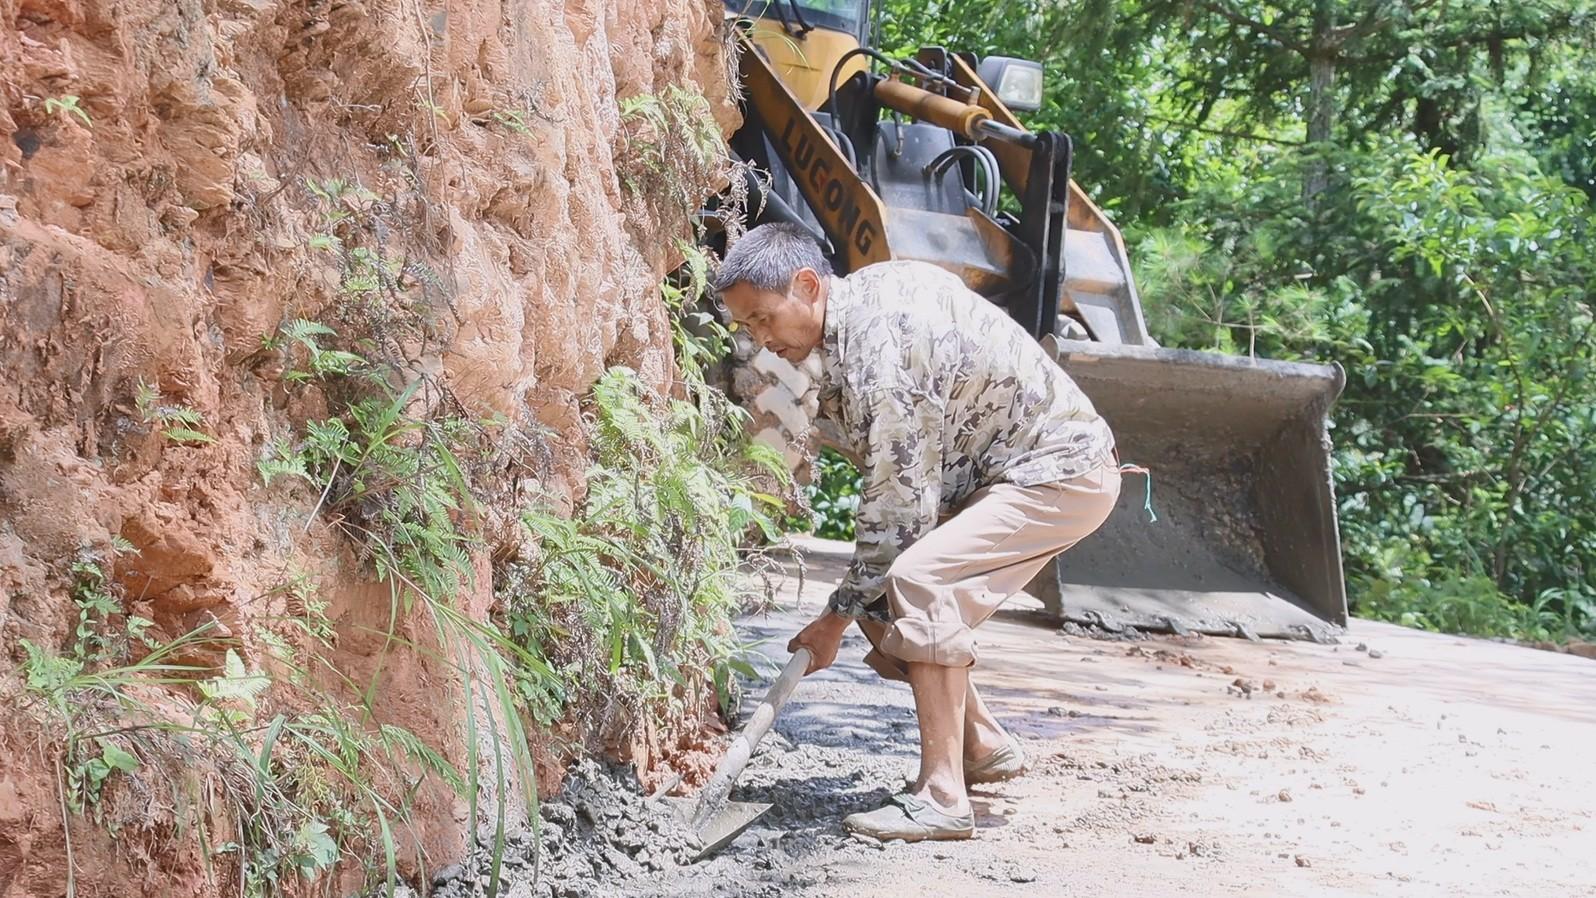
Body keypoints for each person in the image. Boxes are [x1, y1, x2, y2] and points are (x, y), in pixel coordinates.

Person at [714, 222, 1122, 842]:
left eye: (765, 319)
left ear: (806, 284)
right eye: (748, 328)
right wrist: (854, 606)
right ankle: (981, 745)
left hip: (1058, 472)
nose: (762, 338)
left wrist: (832, 620)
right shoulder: (856, 310)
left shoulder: (884, 346)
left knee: (917, 578)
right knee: (882, 596)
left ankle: (942, 797)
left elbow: (898, 516)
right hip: (999, 475)